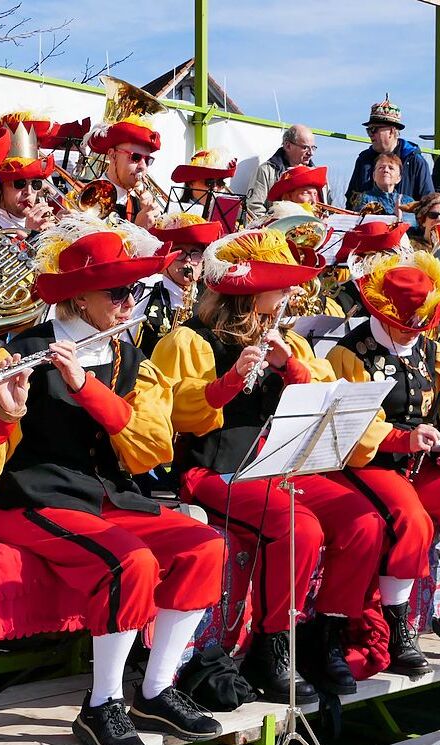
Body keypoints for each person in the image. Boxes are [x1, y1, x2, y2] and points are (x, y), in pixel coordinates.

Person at [0, 216, 223, 745]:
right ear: (79, 297)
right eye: (118, 291)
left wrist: (86, 385)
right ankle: (101, 705)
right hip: (33, 499)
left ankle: (155, 689)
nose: (129, 302)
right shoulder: (16, 353)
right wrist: (4, 414)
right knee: (130, 563)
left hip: (105, 498)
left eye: (136, 290)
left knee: (202, 546)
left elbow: (151, 446)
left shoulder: (128, 358)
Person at [152, 228, 384, 703]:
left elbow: (323, 394)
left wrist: (291, 368)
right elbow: (179, 415)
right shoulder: (188, 340)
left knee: (362, 520)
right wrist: (231, 379)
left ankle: (326, 638)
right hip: (214, 468)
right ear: (252, 291)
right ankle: (272, 645)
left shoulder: (285, 339)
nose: (290, 293)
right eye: (281, 285)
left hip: (276, 466)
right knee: (300, 528)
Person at [327, 242, 440, 673]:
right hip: (371, 464)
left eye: (418, 322)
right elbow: (353, 430)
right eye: (403, 323)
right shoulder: (347, 355)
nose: (413, 330)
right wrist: (402, 438)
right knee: (412, 520)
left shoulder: (431, 350)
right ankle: (397, 629)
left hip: (426, 464)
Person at [137, 213, 221, 356]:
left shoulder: (211, 297)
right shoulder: (146, 293)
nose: (188, 260)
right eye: (179, 252)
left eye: (195, 253)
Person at [347, 95, 433, 205]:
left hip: (407, 221)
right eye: (368, 130)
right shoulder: (363, 159)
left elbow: (427, 200)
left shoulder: (414, 160)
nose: (370, 134)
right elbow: (352, 198)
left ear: (392, 131)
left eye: (374, 129)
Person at [86, 115, 164, 228]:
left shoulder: (139, 204)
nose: (143, 166)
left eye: (147, 160)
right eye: (136, 157)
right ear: (112, 155)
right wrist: (139, 230)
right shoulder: (87, 197)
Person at [0, 126, 56, 233]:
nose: (29, 192)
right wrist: (32, 234)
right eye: (20, 183)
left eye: (36, 184)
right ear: (0, 186)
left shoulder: (37, 221)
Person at [246, 124, 317, 219]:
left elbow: (325, 208)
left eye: (313, 148)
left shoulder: (317, 174)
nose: (311, 153)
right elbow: (254, 208)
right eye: (305, 147)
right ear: (288, 146)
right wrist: (271, 229)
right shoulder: (266, 171)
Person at [351, 152, 415, 224]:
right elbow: (360, 223)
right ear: (374, 176)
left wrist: (401, 218)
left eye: (391, 168)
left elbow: (415, 226)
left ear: (398, 178)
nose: (386, 170)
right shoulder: (364, 198)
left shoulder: (408, 201)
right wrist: (394, 218)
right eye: (381, 167)